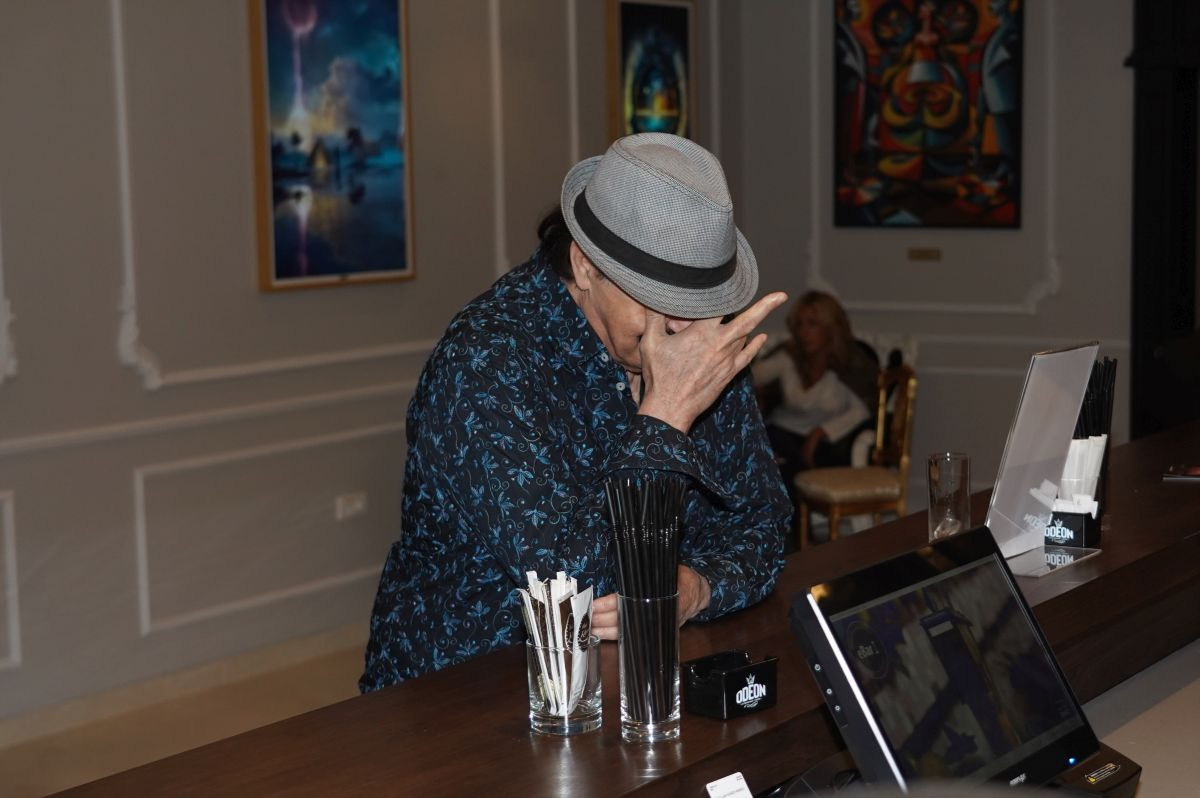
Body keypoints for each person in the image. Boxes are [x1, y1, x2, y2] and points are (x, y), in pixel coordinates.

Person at [359, 133, 792, 689]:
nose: (681, 329)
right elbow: (573, 589)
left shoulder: (698, 342)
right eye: (659, 299)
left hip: (635, 680)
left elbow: (764, 521)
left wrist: (696, 587)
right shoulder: (486, 360)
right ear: (584, 266)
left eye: (699, 304)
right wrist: (664, 416)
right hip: (465, 691)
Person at [752, 291, 876, 510]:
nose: (804, 333)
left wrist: (820, 432)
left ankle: (793, 524)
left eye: (812, 324)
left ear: (830, 327)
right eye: (799, 325)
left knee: (794, 464)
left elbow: (862, 410)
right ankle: (793, 525)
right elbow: (749, 376)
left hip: (825, 444)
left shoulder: (848, 367)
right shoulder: (788, 358)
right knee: (779, 459)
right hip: (780, 433)